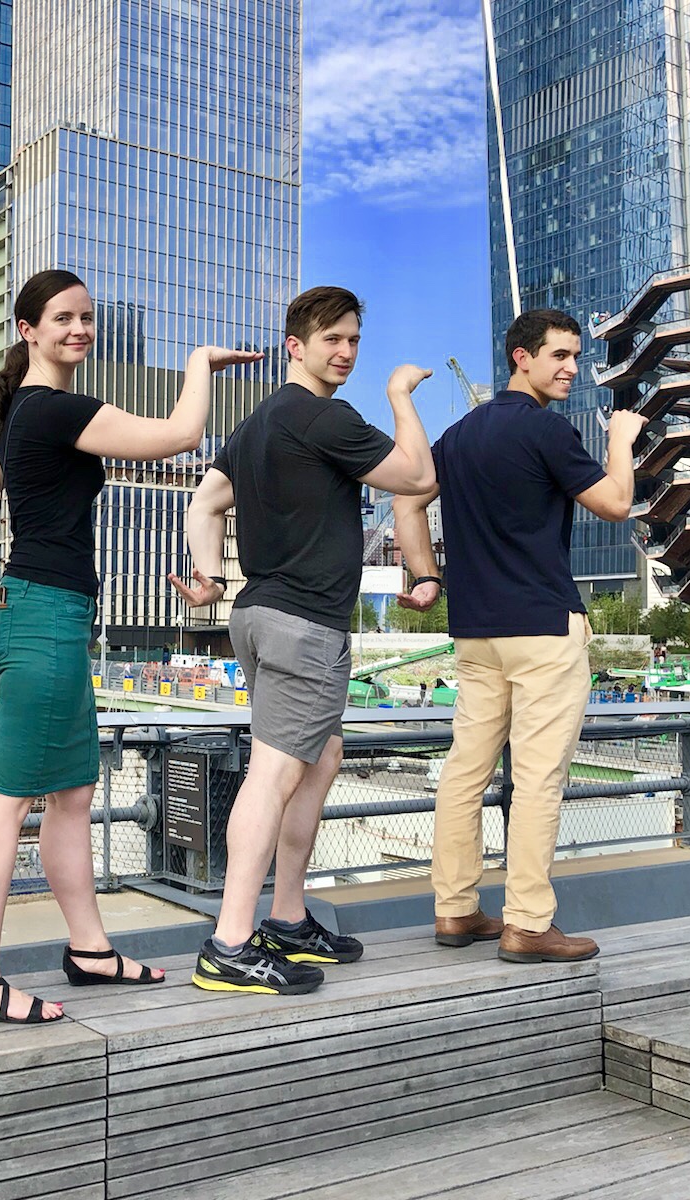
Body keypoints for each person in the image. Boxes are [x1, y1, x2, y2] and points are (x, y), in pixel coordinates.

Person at [0, 269, 261, 1022]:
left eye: (87, 318)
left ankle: (90, 950)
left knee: (72, 795)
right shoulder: (52, 409)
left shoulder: (24, 419)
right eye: (63, 317)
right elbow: (180, 437)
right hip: (42, 618)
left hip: (48, 615)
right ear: (28, 330)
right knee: (5, 805)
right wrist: (199, 363)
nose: (80, 329)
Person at [168, 286, 435, 995]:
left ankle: (287, 918)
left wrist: (208, 574)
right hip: (304, 624)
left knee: (320, 757)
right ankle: (230, 943)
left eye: (353, 340)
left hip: (258, 615)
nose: (345, 352)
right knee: (275, 773)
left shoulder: (258, 423)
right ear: (296, 345)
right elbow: (418, 476)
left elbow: (205, 501)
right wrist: (400, 396)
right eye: (331, 340)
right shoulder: (324, 417)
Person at [393, 308, 647, 963]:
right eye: (559, 355)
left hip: (476, 633)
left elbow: (407, 501)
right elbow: (616, 503)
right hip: (542, 628)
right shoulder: (547, 430)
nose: (570, 368)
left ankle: (455, 909)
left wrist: (427, 576)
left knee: (463, 774)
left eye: (574, 356)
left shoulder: (456, 437)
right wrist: (621, 440)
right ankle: (528, 923)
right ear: (521, 358)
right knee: (537, 780)